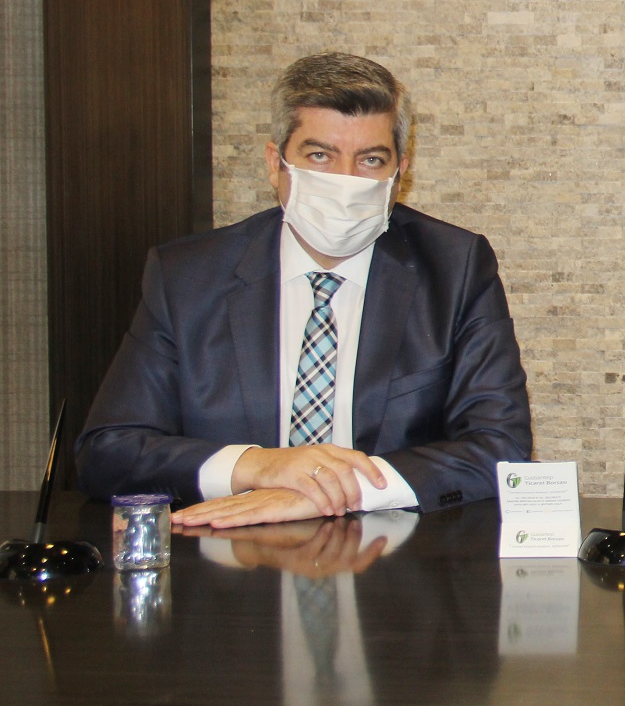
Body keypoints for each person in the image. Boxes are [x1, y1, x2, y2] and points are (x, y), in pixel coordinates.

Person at [77, 52, 532, 527]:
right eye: (320, 156)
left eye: (371, 160)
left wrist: (338, 491)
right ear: (276, 164)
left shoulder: (455, 269)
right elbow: (108, 450)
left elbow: (501, 447)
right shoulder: (187, 276)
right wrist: (258, 466)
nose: (345, 182)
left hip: (391, 556)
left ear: (401, 172)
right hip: (226, 555)